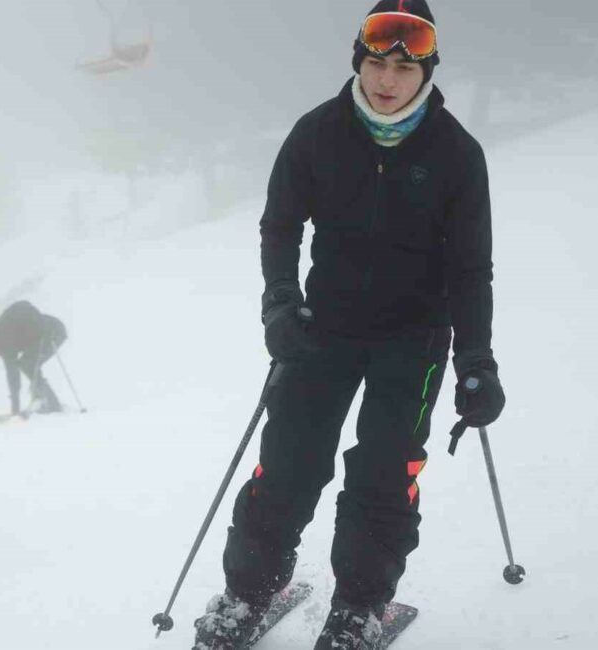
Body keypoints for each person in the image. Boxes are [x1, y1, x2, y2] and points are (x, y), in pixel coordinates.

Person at [191, 2, 506, 649]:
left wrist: (476, 361)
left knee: (384, 477)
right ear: (358, 62)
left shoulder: (457, 153)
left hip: (414, 338)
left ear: (426, 73)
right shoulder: (318, 134)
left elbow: (471, 269)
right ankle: (249, 593)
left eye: (403, 68)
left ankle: (359, 609)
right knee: (287, 466)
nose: (387, 80)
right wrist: (280, 303)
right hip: (322, 329)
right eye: (376, 64)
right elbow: (280, 226)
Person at [0, 301, 67, 416]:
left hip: (51, 331)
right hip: (45, 332)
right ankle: (44, 400)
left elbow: (13, 373)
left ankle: (50, 403)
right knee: (28, 364)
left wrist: (15, 409)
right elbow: (12, 373)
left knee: (28, 364)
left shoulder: (3, 335)